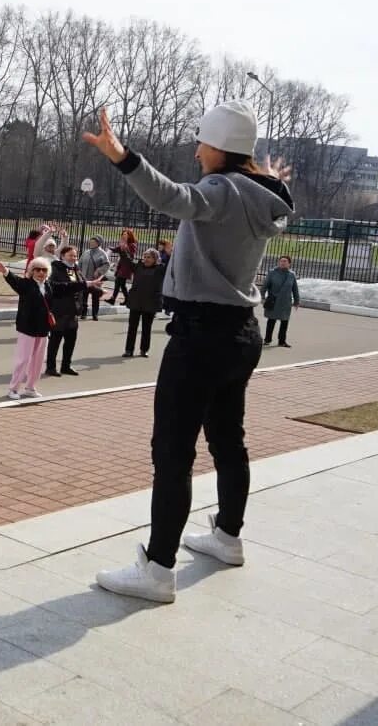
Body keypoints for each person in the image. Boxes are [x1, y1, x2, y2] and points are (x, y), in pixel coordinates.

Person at [84, 100, 293, 604]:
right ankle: (228, 536)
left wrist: (122, 156)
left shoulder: (221, 191)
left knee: (172, 454)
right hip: (241, 332)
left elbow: (172, 198)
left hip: (201, 337)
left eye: (201, 142)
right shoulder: (262, 194)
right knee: (228, 440)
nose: (196, 151)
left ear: (220, 146)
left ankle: (157, 569)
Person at [0, 256, 55, 400]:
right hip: (27, 328)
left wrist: (88, 283)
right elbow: (14, 281)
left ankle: (30, 387)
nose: (41, 273)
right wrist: (5, 271)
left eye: (44, 270)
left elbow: (68, 287)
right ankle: (13, 389)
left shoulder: (49, 285)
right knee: (23, 359)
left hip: (43, 329)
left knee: (38, 361)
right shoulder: (26, 284)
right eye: (37, 270)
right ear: (32, 271)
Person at [46, 245, 99, 377]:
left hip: (73, 312)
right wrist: (83, 284)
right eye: (70, 255)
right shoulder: (55, 268)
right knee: (55, 341)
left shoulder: (75, 269)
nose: (73, 258)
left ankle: (66, 366)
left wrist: (98, 290)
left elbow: (82, 284)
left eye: (75, 256)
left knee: (70, 340)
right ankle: (50, 367)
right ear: (62, 256)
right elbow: (57, 287)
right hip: (60, 311)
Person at [124, 248, 165, 358]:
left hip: (150, 303)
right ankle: (129, 350)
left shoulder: (160, 269)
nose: (146, 259)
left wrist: (170, 253)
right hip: (136, 301)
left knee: (146, 328)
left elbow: (171, 266)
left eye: (149, 257)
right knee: (132, 327)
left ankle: (144, 350)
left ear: (155, 259)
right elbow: (126, 260)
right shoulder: (138, 266)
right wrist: (123, 250)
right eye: (145, 257)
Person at [262, 255, 301, 348]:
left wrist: (296, 301)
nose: (283, 263)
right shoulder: (272, 273)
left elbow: (295, 289)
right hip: (274, 301)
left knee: (284, 322)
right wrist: (262, 297)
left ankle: (282, 341)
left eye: (285, 261)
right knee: (271, 321)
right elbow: (265, 286)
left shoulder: (291, 275)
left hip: (285, 302)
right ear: (278, 262)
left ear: (289, 264)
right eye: (281, 261)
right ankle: (267, 339)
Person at [79, 235, 111, 321]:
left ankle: (95, 314)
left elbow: (107, 265)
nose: (91, 243)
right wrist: (79, 274)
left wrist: (99, 270)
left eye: (93, 242)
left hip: (95, 280)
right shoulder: (86, 252)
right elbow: (80, 264)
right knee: (84, 297)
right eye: (90, 242)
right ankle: (83, 313)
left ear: (98, 243)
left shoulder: (102, 253)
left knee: (95, 297)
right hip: (84, 279)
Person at [107, 229, 138, 305]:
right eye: (123, 234)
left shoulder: (132, 245)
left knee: (119, 283)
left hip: (126, 267)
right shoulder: (123, 244)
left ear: (129, 236)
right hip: (121, 266)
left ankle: (115, 299)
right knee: (120, 284)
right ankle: (124, 299)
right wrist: (109, 248)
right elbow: (116, 249)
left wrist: (125, 249)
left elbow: (130, 256)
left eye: (126, 234)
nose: (124, 236)